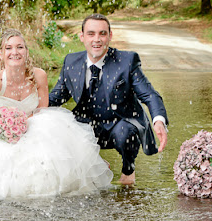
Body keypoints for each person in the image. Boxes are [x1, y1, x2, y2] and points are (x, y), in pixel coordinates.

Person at [0, 29, 113, 199]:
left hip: (36, 129)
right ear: (1, 54)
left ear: (26, 52)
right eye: (8, 48)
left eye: (19, 47)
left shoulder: (39, 75)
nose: (14, 52)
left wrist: (23, 123)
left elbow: (42, 111)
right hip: (3, 137)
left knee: (57, 150)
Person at [49, 14, 168, 186]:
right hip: (87, 126)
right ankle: (96, 163)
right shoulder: (71, 62)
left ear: (110, 36)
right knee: (58, 124)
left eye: (102, 34)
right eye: (91, 34)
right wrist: (30, 110)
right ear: (82, 37)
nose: (96, 39)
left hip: (120, 123)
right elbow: (56, 97)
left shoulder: (126, 61)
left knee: (125, 132)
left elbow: (149, 94)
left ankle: (128, 169)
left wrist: (159, 120)